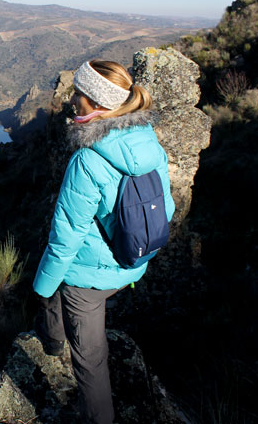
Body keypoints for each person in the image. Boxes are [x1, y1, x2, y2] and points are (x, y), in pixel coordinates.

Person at [32, 60, 175, 424]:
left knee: (89, 356)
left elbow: (66, 236)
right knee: (58, 280)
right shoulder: (148, 141)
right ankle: (53, 339)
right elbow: (167, 206)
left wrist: (41, 286)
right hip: (134, 262)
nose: (72, 100)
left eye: (79, 93)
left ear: (95, 103)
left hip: (89, 281)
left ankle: (55, 349)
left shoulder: (88, 160)